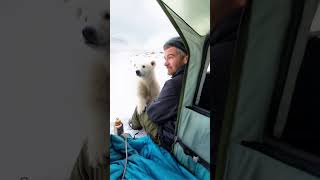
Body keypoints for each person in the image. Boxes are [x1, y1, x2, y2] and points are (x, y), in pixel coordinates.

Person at [129, 36, 188, 151]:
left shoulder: (174, 84)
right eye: (165, 58)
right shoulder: (198, 77)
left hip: (168, 138)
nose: (165, 63)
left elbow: (154, 115)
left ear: (185, 58)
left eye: (170, 57)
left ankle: (133, 124)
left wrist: (154, 103)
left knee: (141, 107)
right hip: (182, 130)